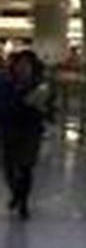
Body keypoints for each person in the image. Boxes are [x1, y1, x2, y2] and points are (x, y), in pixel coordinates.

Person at [0, 50, 53, 220]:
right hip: (9, 129)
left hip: (30, 131)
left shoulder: (39, 85)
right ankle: (16, 193)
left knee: (26, 167)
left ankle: (23, 203)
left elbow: (49, 108)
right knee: (8, 168)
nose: (23, 68)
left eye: (27, 65)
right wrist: (21, 100)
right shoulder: (6, 83)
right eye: (20, 65)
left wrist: (44, 107)